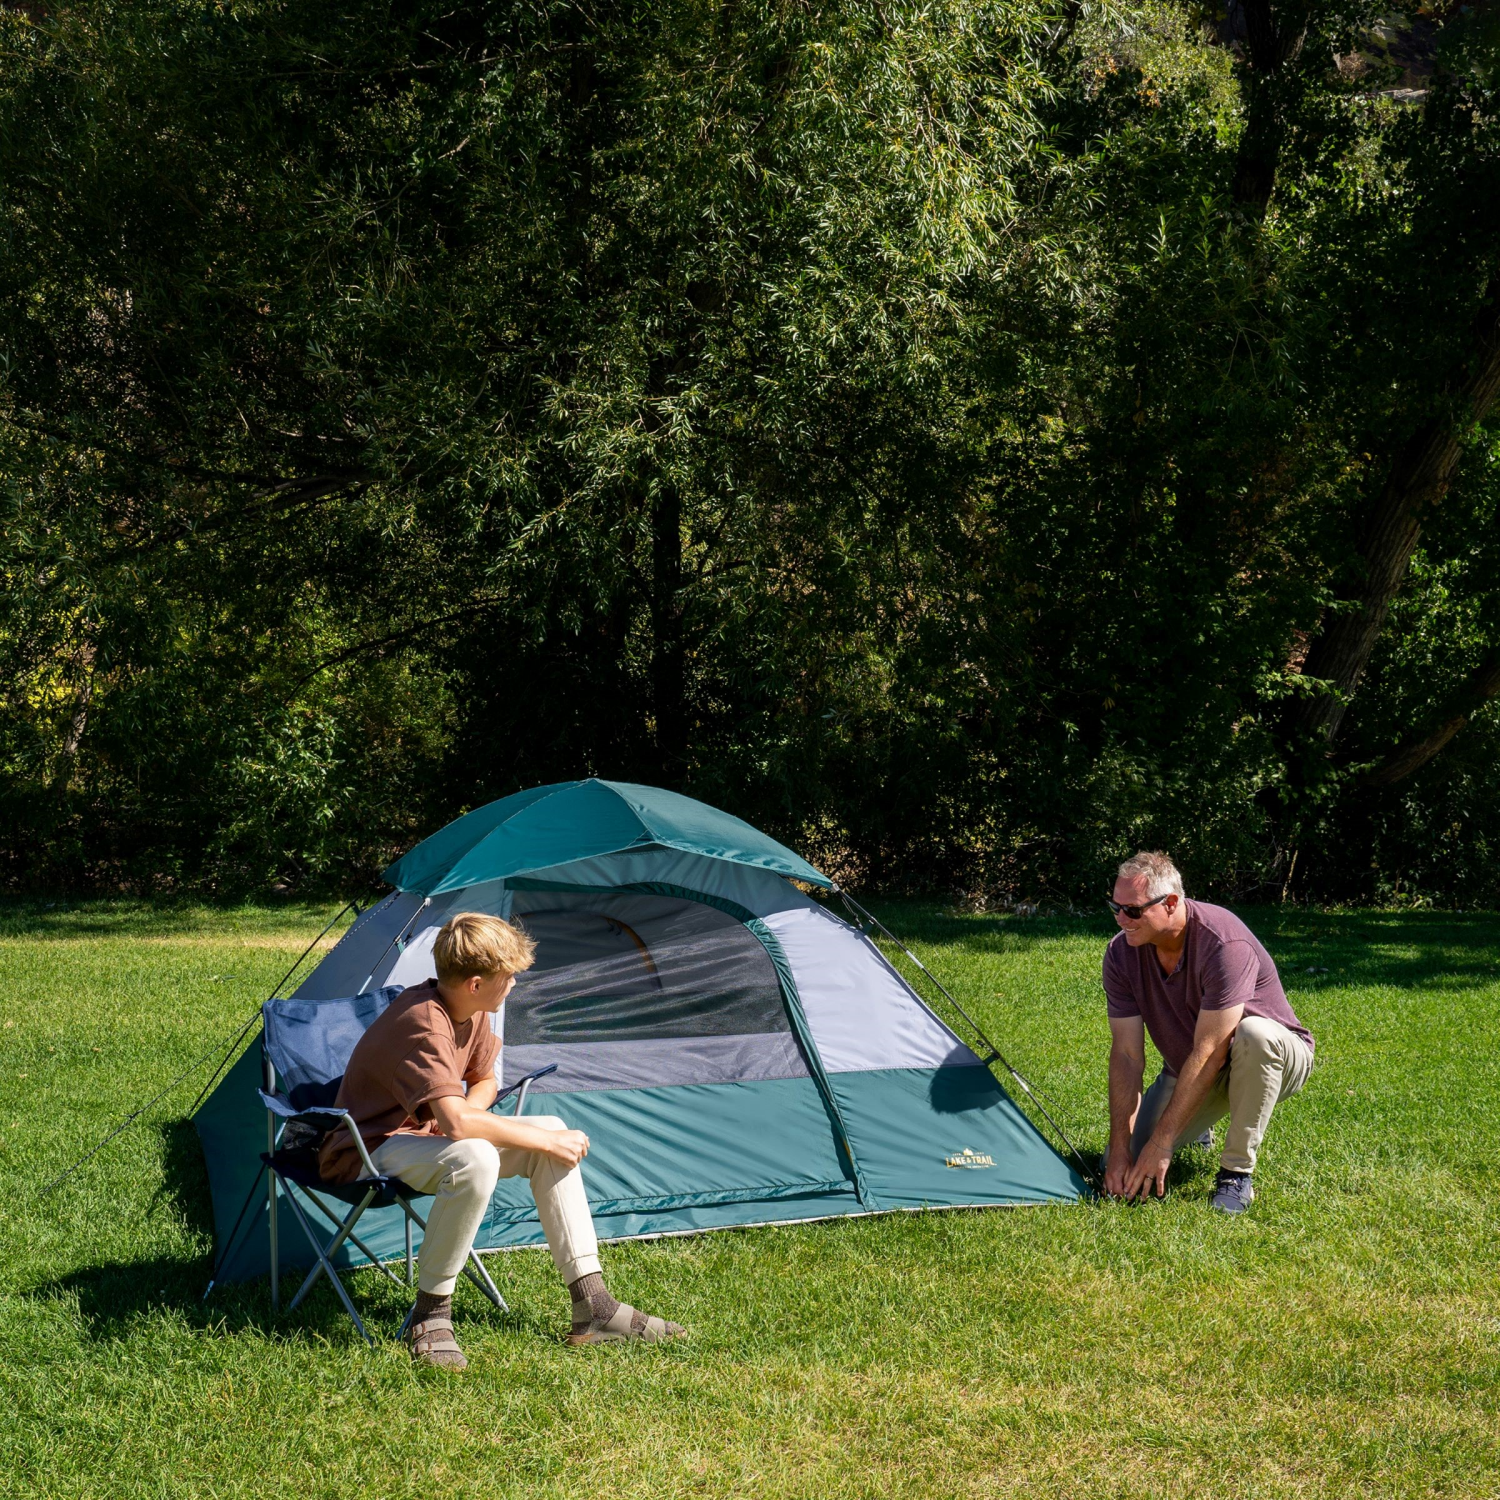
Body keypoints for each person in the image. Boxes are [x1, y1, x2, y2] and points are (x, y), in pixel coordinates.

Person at [318, 910, 685, 1368]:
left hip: (426, 1139)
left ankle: (594, 1307)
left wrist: (484, 1121)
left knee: (549, 1129)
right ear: (475, 983)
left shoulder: (471, 1012)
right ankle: (429, 1316)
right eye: (508, 977)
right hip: (368, 1148)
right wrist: (471, 1125)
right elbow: (456, 1126)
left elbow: (484, 1080)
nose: (514, 984)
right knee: (477, 1156)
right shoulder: (423, 1023)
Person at [1101, 851, 1314, 1214]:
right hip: (1195, 1066)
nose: (1122, 920)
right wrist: (1120, 1148)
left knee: (1254, 1033)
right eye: (1115, 907)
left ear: (1170, 903)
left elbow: (1213, 1048)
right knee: (1123, 1161)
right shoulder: (1121, 954)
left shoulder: (1223, 943)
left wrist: (1162, 1142)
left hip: (1272, 1057)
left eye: (1133, 911)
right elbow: (1126, 1054)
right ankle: (1198, 1124)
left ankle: (1236, 1174)